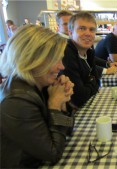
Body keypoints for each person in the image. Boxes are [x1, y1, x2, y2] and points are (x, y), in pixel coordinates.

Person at [0, 25, 75, 168]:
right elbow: (53, 153)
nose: (62, 67)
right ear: (32, 60)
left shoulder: (38, 84)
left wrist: (62, 102)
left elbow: (68, 130)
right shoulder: (17, 101)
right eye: (55, 60)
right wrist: (54, 106)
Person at [62, 12, 116, 107]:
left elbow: (98, 83)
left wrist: (90, 82)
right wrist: (92, 81)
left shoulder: (89, 52)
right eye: (82, 28)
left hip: (89, 104)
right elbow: (79, 98)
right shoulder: (66, 55)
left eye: (91, 30)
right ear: (70, 33)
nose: (88, 33)